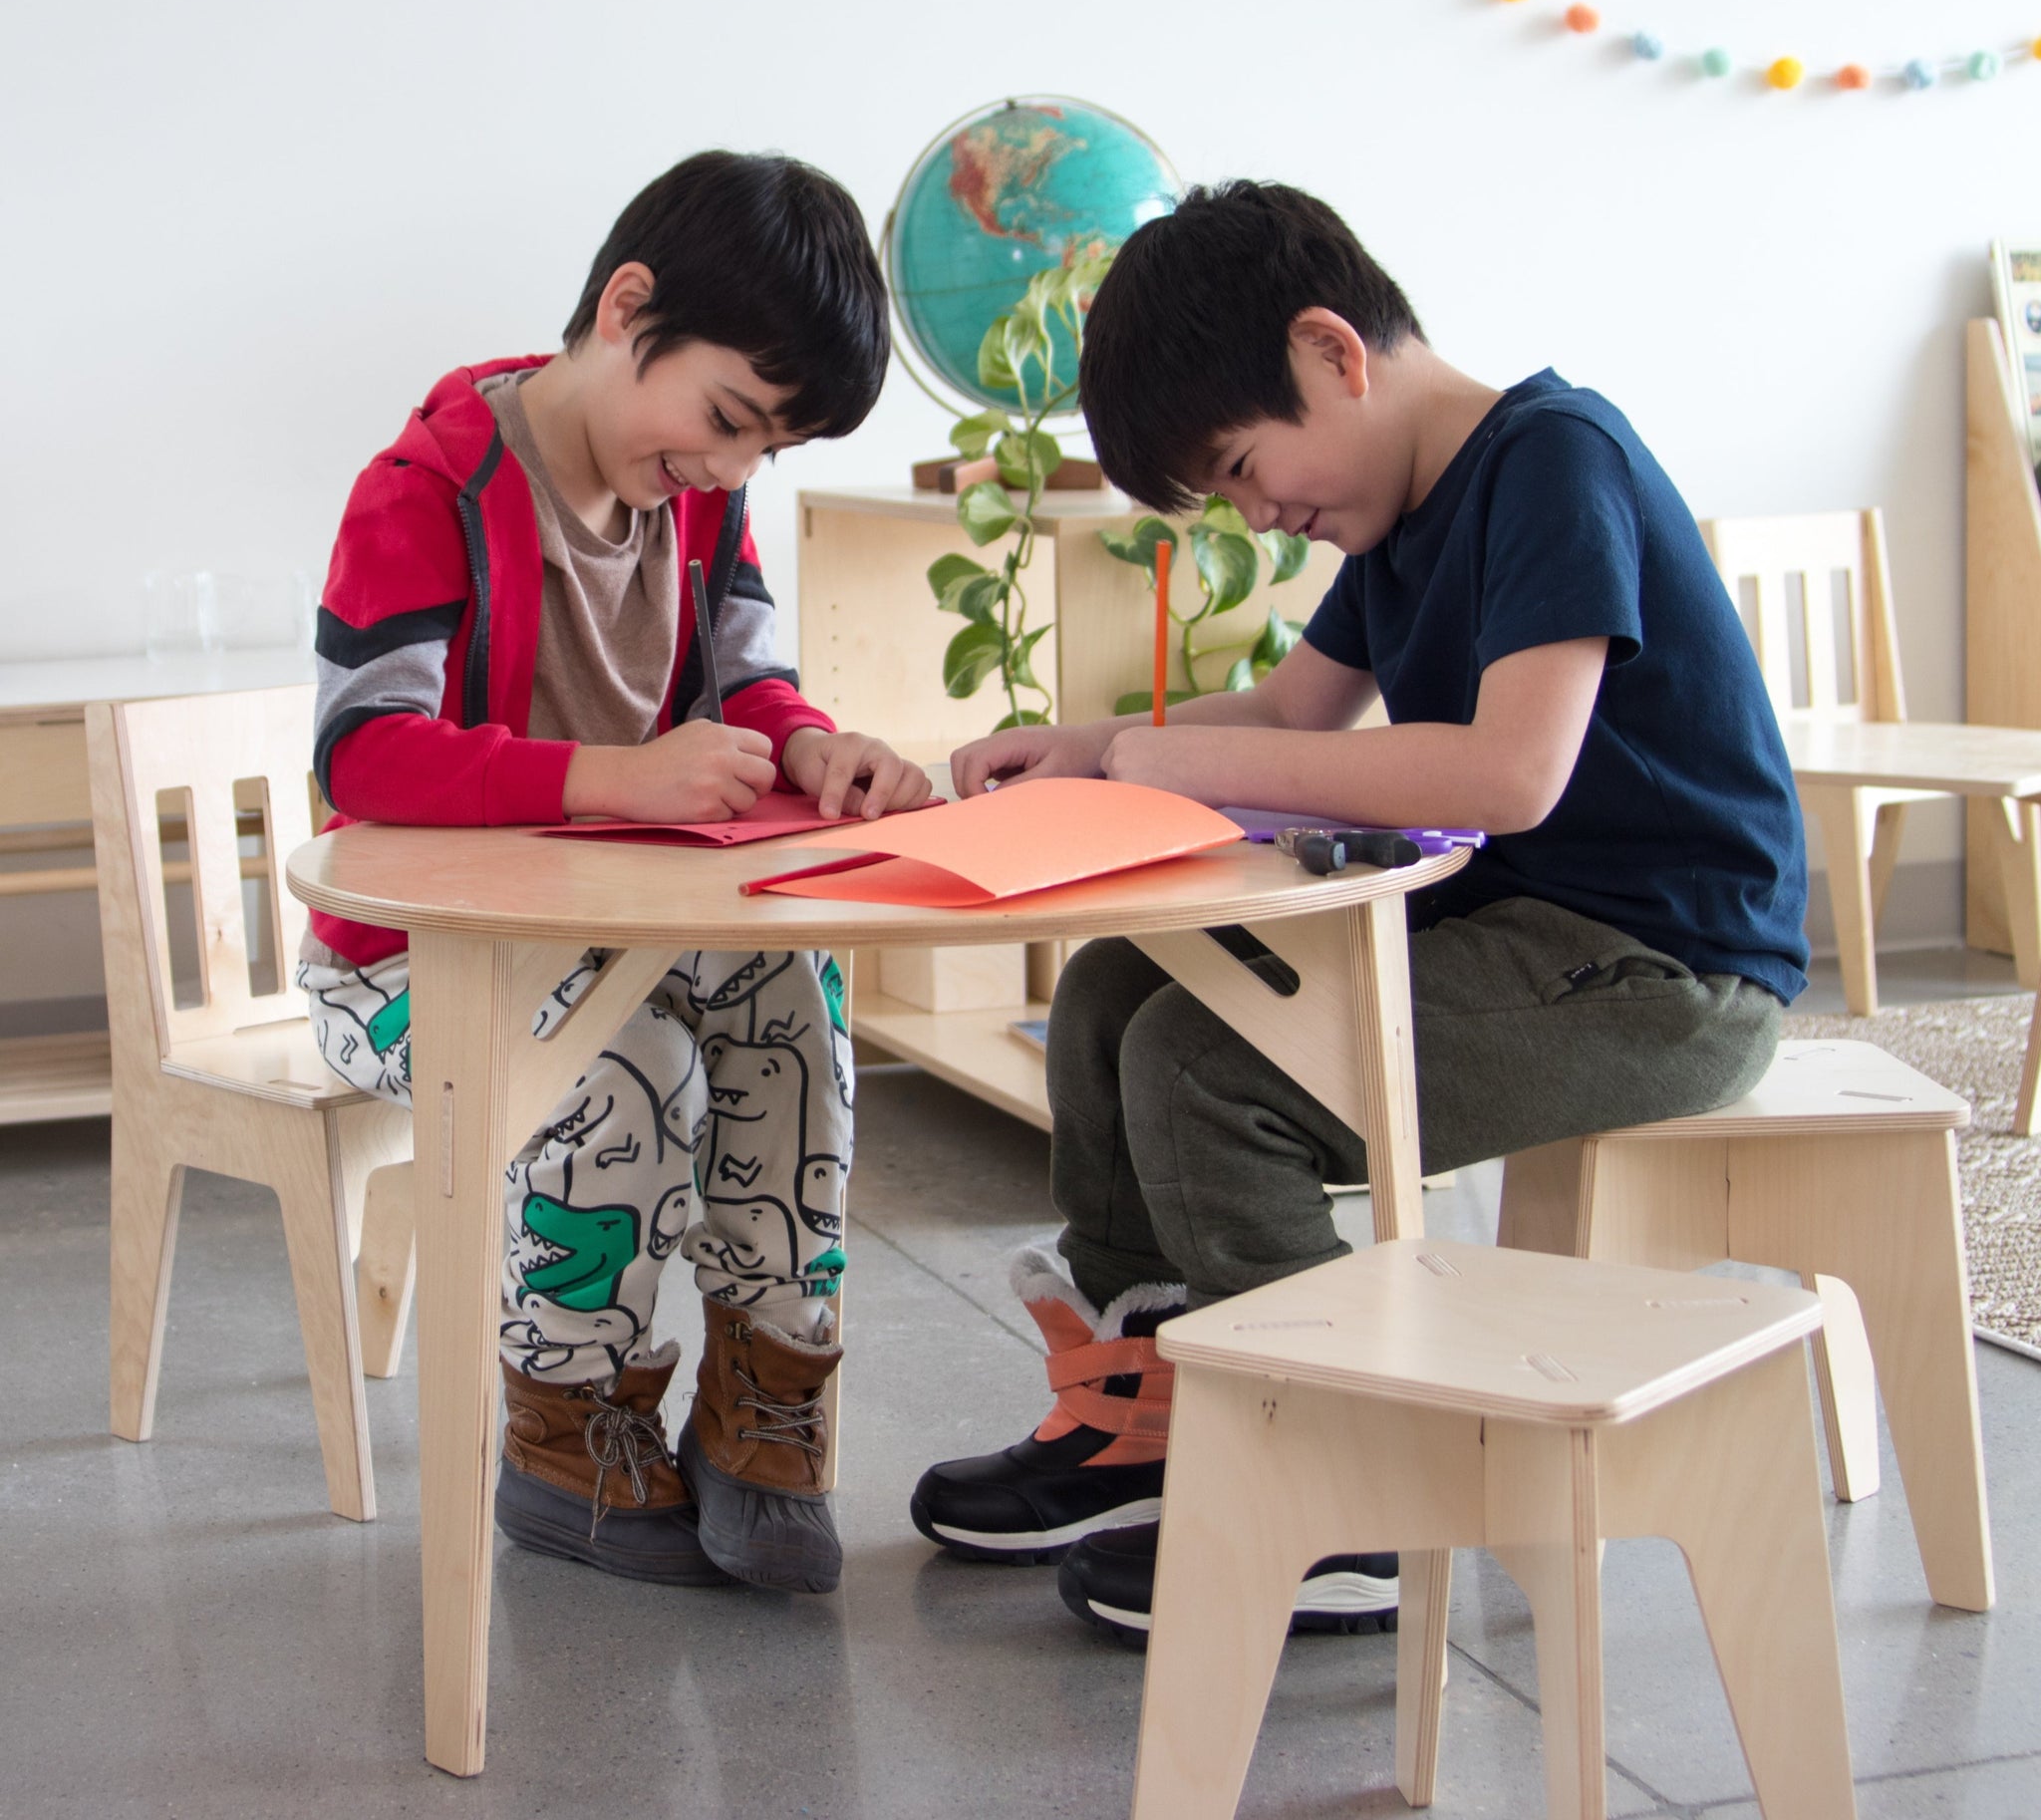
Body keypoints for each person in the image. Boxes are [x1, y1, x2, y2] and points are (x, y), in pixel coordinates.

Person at [910, 178, 1808, 1647]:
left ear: (1335, 352)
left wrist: (1166, 759)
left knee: (1210, 1079)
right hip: (1518, 936)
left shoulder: (1551, 461)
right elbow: (1287, 708)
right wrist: (1089, 747)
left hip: (1665, 967)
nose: (1262, 515)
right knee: (1117, 995)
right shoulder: (1394, 513)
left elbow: (1513, 771)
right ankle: (1157, 1415)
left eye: (1247, 469)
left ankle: (1356, 1488)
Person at [299, 151, 931, 1598]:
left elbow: (757, 690)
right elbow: (365, 759)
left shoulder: (700, 494)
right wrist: (603, 776)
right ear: (624, 308)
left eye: (769, 446)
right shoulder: (429, 486)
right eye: (727, 418)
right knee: (627, 1060)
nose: (730, 467)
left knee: (798, 999)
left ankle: (763, 1407)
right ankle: (567, 1426)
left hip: (628, 934)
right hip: (406, 973)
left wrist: (817, 749)